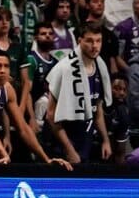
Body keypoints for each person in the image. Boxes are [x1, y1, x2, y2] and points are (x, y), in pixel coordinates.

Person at [46, 23, 113, 165]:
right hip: (62, 144)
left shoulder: (100, 67)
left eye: (98, 41)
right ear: (79, 41)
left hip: (86, 140)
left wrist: (105, 140)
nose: (94, 46)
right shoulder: (64, 68)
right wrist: (69, 150)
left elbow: (97, 109)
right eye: (89, 41)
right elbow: (51, 115)